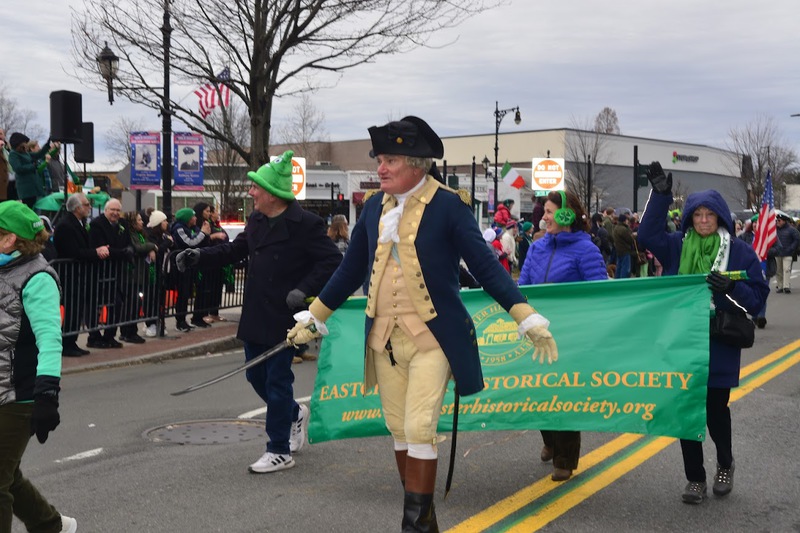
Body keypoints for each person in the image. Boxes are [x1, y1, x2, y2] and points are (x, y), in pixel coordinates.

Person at [285, 116, 559, 532]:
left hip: (433, 339)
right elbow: (349, 269)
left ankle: (412, 526)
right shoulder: (373, 207)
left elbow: (485, 266)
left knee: (418, 427)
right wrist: (314, 316)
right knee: (398, 429)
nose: (380, 168)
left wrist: (524, 315)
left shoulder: (449, 206)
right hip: (383, 339)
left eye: (390, 160)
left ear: (417, 164)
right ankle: (424, 521)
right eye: (379, 159)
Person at [175, 150, 342, 474]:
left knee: (278, 381)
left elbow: (332, 261)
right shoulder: (257, 220)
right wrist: (199, 256)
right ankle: (294, 414)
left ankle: (279, 450)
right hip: (255, 312)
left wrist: (303, 289)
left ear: (273, 193)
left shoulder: (306, 224)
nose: (250, 192)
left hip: (285, 315)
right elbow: (236, 249)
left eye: (255, 187)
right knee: (255, 376)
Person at [637, 161, 768, 504]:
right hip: (682, 340)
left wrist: (732, 288)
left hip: (720, 342)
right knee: (686, 409)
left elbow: (757, 300)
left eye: (710, 214)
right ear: (690, 218)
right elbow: (646, 236)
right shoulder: (676, 246)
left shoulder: (739, 252)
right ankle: (695, 477)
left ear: (721, 217)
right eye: (698, 214)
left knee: (715, 410)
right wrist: (660, 196)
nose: (704, 220)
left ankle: (725, 463)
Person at [517, 189, 607, 481]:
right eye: (544, 211)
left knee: (564, 394)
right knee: (538, 391)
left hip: (570, 336)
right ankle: (550, 440)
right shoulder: (536, 248)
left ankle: (564, 459)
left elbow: (599, 294)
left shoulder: (586, 250)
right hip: (538, 333)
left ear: (567, 215)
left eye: (549, 211)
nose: (543, 217)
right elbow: (523, 286)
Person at [0, 201, 77, 533]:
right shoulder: (3, 268)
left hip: (18, 394)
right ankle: (50, 525)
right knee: (7, 472)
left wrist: (46, 395)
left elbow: (50, 339)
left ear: (9, 240)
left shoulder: (38, 278)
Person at [53, 193, 109, 357]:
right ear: (77, 208)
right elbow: (73, 252)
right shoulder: (66, 225)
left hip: (79, 275)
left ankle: (72, 342)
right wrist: (96, 252)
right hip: (70, 275)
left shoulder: (79, 223)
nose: (89, 207)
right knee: (72, 310)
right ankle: (67, 343)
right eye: (86, 204)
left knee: (77, 310)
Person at [87, 198, 131, 348]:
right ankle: (93, 337)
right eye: (112, 210)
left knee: (116, 304)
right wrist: (121, 252)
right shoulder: (97, 224)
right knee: (96, 306)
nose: (115, 213)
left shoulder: (123, 224)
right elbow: (102, 249)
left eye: (118, 210)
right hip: (99, 272)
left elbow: (127, 244)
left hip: (116, 272)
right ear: (106, 210)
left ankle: (110, 335)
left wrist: (117, 250)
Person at [118, 211, 157, 344]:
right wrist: (152, 246)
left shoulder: (140, 234)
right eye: (139, 220)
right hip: (131, 275)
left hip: (140, 274)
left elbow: (143, 245)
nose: (142, 222)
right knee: (131, 305)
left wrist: (149, 248)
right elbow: (137, 248)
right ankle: (128, 332)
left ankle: (129, 331)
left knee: (135, 304)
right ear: (132, 222)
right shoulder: (129, 234)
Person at [170, 207, 210, 332]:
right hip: (181, 265)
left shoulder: (191, 228)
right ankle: (180, 321)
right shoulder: (179, 228)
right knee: (182, 293)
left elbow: (201, 242)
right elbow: (189, 243)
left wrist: (205, 234)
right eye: (193, 216)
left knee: (187, 293)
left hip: (189, 265)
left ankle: (184, 320)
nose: (195, 218)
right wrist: (203, 233)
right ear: (187, 218)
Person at [144, 210, 173, 337]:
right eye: (164, 221)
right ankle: (150, 323)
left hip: (163, 270)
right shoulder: (150, 235)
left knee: (160, 298)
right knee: (151, 297)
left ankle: (159, 321)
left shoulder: (165, 234)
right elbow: (158, 249)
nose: (166, 223)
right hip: (152, 270)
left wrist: (169, 242)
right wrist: (168, 242)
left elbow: (172, 244)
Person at [7, 133, 51, 210]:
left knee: (38, 209)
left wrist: (48, 144)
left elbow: (38, 155)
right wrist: (33, 166)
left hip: (35, 187)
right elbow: (18, 168)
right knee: (30, 209)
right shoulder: (13, 154)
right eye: (24, 142)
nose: (26, 144)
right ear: (19, 143)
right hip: (26, 190)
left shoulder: (26, 153)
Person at [774, 214, 799, 293]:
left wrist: (791, 248)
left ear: (784, 221)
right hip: (777, 253)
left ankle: (786, 286)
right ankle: (780, 286)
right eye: (777, 220)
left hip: (788, 253)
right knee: (778, 271)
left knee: (786, 269)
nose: (777, 222)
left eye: (779, 220)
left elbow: (797, 239)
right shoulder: (774, 230)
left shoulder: (792, 230)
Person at [611, 213, 635, 279]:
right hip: (625, 250)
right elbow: (630, 240)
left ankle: (617, 281)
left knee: (619, 267)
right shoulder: (624, 229)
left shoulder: (616, 228)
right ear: (624, 220)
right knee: (625, 269)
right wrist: (633, 236)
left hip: (618, 250)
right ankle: (623, 281)